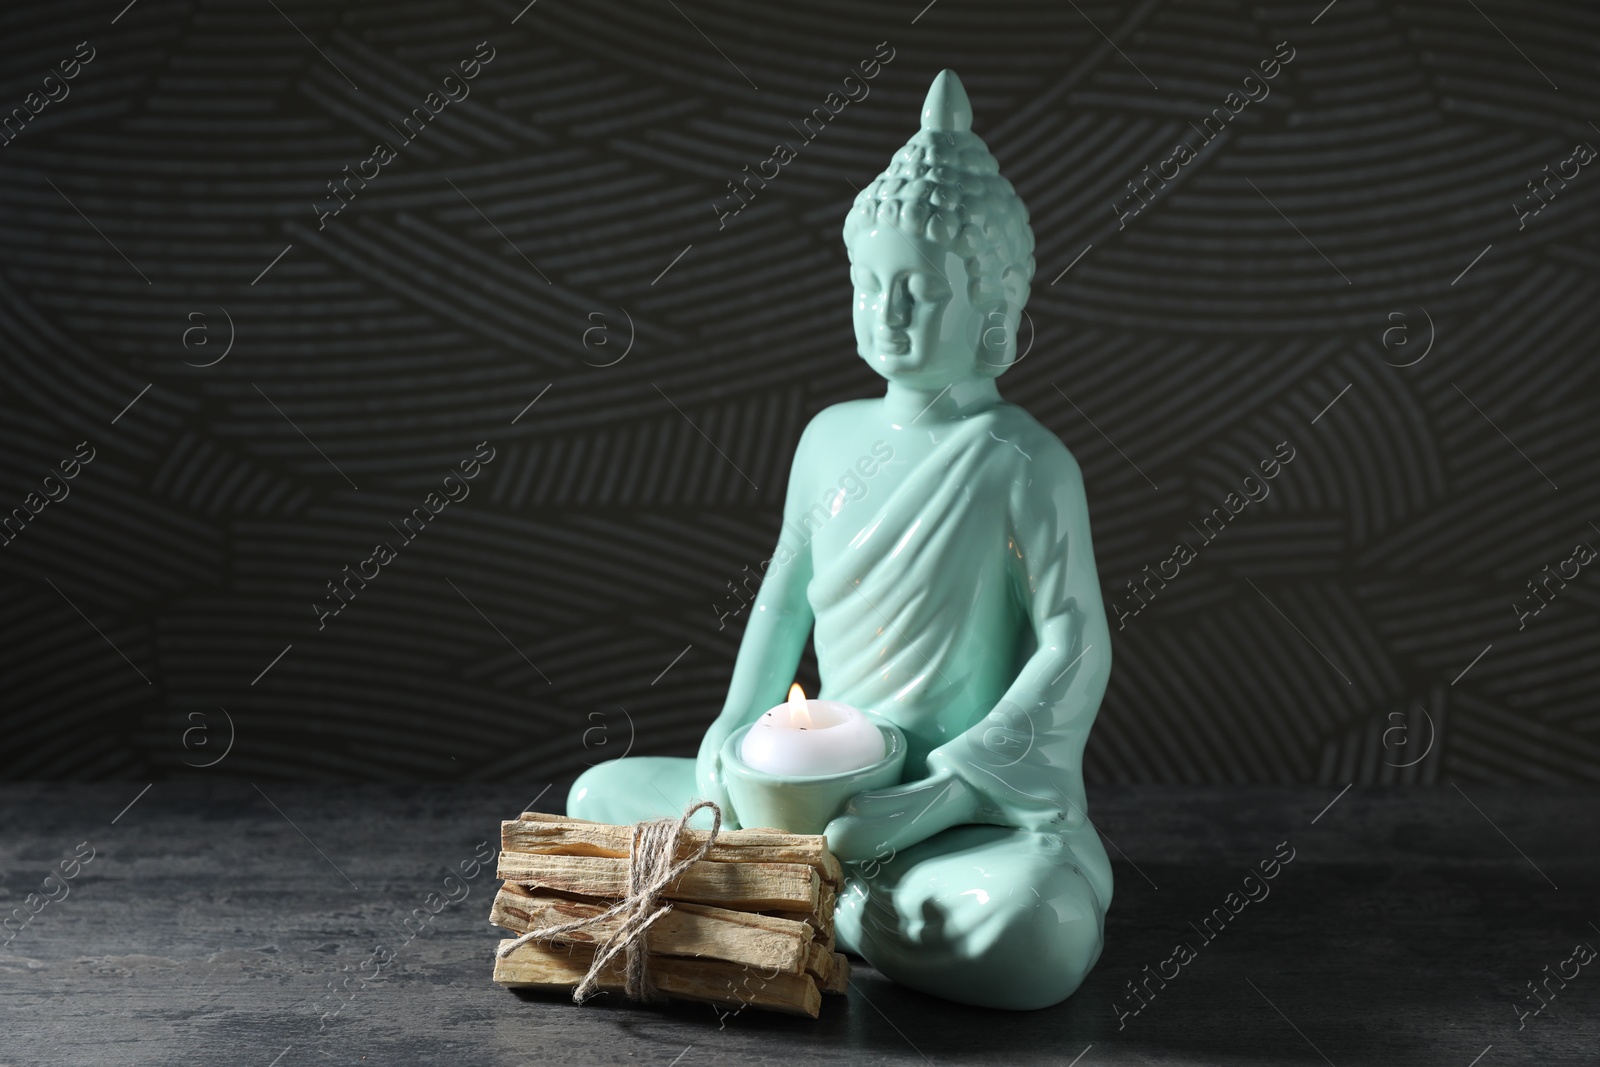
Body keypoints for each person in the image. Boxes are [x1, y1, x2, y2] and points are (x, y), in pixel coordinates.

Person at [570, 69, 1112, 1010]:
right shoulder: (828, 436)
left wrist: (945, 790)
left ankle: (800, 897)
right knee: (598, 795)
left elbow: (1075, 642)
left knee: (1037, 933)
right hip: (811, 792)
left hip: (954, 815)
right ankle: (823, 890)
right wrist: (731, 728)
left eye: (920, 289)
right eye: (870, 283)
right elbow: (785, 591)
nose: (888, 312)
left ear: (993, 306)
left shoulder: (1025, 461)